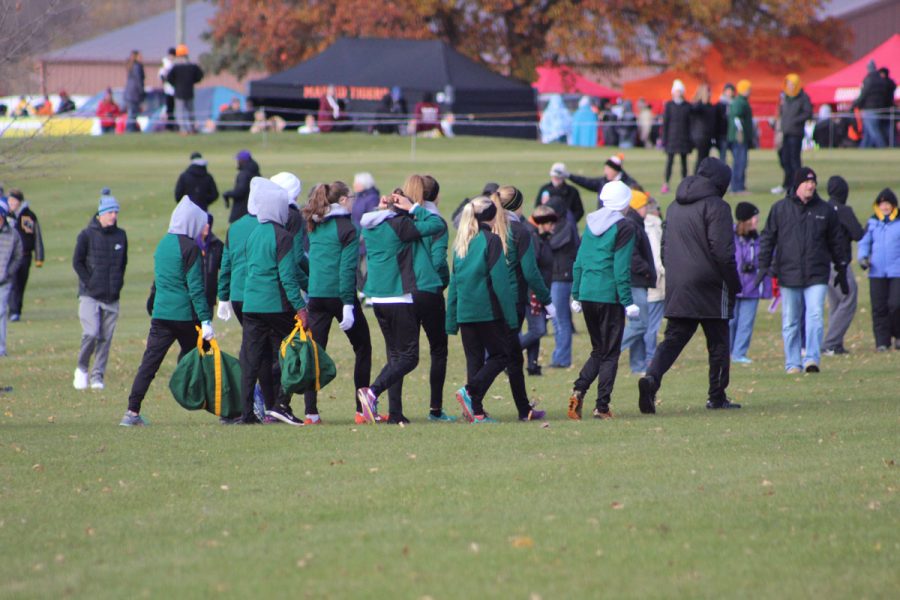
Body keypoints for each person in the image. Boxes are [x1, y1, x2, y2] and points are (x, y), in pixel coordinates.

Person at [638, 157, 741, 414]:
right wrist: (734, 283)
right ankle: (716, 395)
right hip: (711, 285)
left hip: (679, 283)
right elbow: (723, 252)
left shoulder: (673, 206)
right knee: (718, 342)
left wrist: (675, 273)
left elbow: (664, 247)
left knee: (673, 339)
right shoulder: (718, 207)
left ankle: (651, 379)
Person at [120, 198, 213, 426]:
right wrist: (206, 320)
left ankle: (131, 412)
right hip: (184, 316)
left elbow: (158, 281)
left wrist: (152, 306)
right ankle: (225, 409)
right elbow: (196, 289)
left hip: (161, 315)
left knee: (149, 364)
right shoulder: (190, 248)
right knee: (206, 358)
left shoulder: (162, 244)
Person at [355, 187, 444, 424]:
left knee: (395, 356)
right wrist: (413, 207)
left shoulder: (371, 225)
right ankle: (372, 392)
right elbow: (438, 225)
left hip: (379, 300)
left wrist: (388, 207)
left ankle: (395, 413)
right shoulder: (400, 226)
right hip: (399, 298)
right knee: (409, 358)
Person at [756, 167, 849, 373]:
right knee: (791, 320)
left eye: (813, 182)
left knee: (815, 315)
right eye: (807, 182)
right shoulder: (780, 209)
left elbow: (837, 242)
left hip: (817, 273)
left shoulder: (824, 211)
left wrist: (841, 268)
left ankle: (812, 359)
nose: (811, 186)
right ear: (797, 185)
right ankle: (793, 362)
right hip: (789, 274)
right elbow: (768, 238)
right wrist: (763, 265)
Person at [238, 178, 308, 426]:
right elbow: (287, 277)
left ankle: (246, 412)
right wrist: (300, 307)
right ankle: (281, 404)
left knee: (251, 359)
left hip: (251, 305)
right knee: (294, 352)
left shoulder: (253, 234)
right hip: (276, 305)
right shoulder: (284, 236)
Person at [301, 182, 372, 424]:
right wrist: (348, 305)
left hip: (316, 295)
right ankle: (362, 410)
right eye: (350, 197)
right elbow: (347, 269)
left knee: (315, 353)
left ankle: (310, 412)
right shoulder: (347, 227)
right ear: (342, 200)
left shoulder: (315, 223)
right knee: (363, 348)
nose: (353, 200)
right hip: (339, 296)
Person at [386, 175, 453, 421]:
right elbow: (438, 260)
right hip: (428, 291)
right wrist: (441, 282)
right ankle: (435, 409)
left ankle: (395, 411)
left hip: (401, 290)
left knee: (400, 354)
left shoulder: (397, 217)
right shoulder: (435, 221)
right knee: (438, 350)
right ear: (434, 195)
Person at [568, 181, 636, 420]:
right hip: (609, 295)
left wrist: (576, 294)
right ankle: (602, 406)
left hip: (587, 293)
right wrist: (628, 301)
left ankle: (579, 389)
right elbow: (621, 267)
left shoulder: (590, 223)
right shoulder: (625, 227)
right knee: (610, 353)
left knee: (599, 349)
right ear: (624, 203)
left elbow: (579, 261)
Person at [446, 197, 517, 423]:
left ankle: (475, 412)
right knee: (500, 355)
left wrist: (451, 319)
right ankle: (471, 391)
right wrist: (512, 318)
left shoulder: (461, 243)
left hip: (466, 312)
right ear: (492, 216)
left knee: (474, 361)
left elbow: (454, 285)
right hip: (487, 311)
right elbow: (500, 283)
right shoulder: (492, 240)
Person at [490, 186, 553, 421]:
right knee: (504, 356)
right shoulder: (519, 230)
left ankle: (523, 409)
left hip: (487, 297)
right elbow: (530, 271)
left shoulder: (487, 227)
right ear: (518, 205)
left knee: (513, 356)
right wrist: (547, 300)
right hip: (512, 300)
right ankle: (471, 393)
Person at [72, 189, 127, 390]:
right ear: (101, 214)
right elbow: (77, 262)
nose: (114, 216)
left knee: (106, 338)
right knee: (91, 333)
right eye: (111, 212)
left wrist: (118, 284)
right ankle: (82, 368)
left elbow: (123, 264)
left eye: (116, 212)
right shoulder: (86, 235)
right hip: (89, 295)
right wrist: (90, 283)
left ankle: (97, 376)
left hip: (112, 296)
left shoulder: (121, 236)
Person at [616, 190, 657, 375]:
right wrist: (647, 270)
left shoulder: (633, 223)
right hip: (635, 282)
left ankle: (638, 365)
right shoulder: (632, 225)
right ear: (637, 206)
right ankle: (610, 351)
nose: (647, 209)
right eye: (644, 206)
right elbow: (631, 256)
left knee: (638, 324)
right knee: (640, 324)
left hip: (637, 281)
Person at [823, 176, 865, 355]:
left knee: (836, 302)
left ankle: (836, 344)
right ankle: (830, 343)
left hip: (823, 263)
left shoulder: (822, 208)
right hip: (839, 263)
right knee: (849, 297)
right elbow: (858, 234)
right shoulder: (843, 210)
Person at [857, 188, 900, 351]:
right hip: (877, 271)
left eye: (888, 204)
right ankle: (882, 341)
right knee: (879, 306)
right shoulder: (872, 223)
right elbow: (864, 242)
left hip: (897, 271)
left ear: (893, 205)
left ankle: (898, 334)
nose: (885, 207)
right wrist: (863, 258)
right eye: (882, 204)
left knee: (896, 304)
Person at [730, 202, 772, 364]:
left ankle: (739, 354)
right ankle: (727, 352)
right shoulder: (730, 236)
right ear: (745, 219)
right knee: (730, 322)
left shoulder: (758, 239)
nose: (756, 221)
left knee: (746, 323)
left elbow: (767, 258)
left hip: (752, 286)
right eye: (754, 217)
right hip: (733, 285)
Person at [519, 205, 557, 375]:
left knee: (536, 330)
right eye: (550, 223)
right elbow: (531, 268)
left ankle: (533, 366)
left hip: (541, 291)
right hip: (532, 292)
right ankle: (506, 354)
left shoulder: (542, 237)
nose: (553, 226)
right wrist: (537, 292)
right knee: (538, 329)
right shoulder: (532, 237)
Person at [546, 197, 579, 369]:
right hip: (556, 276)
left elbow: (551, 244)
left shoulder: (565, 226)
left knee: (561, 319)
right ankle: (559, 356)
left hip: (562, 277)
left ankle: (562, 358)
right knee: (556, 319)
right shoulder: (560, 224)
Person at [6, 189, 44, 322]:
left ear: (20, 202)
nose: (11, 203)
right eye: (9, 201)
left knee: (20, 283)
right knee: (12, 281)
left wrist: (39, 257)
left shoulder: (28, 216)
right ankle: (12, 310)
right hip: (8, 256)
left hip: (24, 256)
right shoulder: (4, 216)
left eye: (14, 201)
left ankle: (16, 309)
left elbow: (35, 237)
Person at [773, 74, 812, 196]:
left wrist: (795, 120)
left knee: (794, 160)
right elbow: (780, 112)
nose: (790, 87)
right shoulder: (785, 97)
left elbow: (808, 113)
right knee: (784, 158)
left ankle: (797, 184)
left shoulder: (803, 97)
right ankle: (787, 183)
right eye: (788, 84)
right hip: (785, 132)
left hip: (795, 133)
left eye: (792, 84)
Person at [568, 153, 641, 210]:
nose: (605, 172)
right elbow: (586, 182)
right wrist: (569, 176)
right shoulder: (603, 181)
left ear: (615, 170)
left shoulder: (628, 183)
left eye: (608, 169)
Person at [642, 198, 665, 367]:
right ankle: (650, 356)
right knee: (652, 323)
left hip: (645, 280)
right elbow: (657, 254)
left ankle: (645, 357)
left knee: (646, 322)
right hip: (656, 281)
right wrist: (662, 272)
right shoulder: (654, 226)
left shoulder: (639, 225)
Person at [350, 172, 380, 296]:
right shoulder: (357, 197)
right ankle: (360, 289)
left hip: (366, 236)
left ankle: (368, 292)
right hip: (355, 235)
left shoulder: (372, 198)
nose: (354, 185)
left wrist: (362, 234)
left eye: (356, 183)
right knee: (355, 264)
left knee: (368, 265)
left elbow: (371, 217)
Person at [0, 198, 23, 357]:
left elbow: (18, 256)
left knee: (1, 312)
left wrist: (9, 273)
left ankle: (0, 348)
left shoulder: (13, 234)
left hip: (4, 281)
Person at [661, 79, 692, 194]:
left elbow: (690, 123)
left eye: (679, 91)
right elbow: (666, 123)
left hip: (684, 138)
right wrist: (664, 139)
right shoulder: (669, 105)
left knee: (684, 163)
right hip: (672, 138)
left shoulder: (687, 106)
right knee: (669, 162)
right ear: (673, 92)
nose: (678, 93)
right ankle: (666, 184)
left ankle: (684, 185)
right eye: (676, 91)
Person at [166, 44, 204, 135]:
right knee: (190, 112)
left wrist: (175, 84)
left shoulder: (176, 67)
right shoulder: (192, 66)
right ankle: (192, 128)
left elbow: (169, 78)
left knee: (180, 112)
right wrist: (192, 82)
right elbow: (200, 76)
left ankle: (183, 130)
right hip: (189, 92)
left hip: (179, 93)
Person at [853, 61, 888, 148]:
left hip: (869, 109)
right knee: (868, 132)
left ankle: (882, 147)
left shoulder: (869, 80)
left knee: (873, 131)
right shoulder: (880, 80)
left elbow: (864, 94)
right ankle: (863, 149)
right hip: (878, 108)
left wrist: (855, 104)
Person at [728, 80, 753, 194]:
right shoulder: (739, 102)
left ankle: (739, 185)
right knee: (740, 161)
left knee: (740, 161)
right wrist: (740, 132)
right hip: (739, 138)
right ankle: (737, 187)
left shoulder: (741, 101)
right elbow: (737, 118)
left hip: (740, 137)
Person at [224, 150, 260, 223]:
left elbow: (240, 192)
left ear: (243, 161)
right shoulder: (256, 173)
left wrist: (228, 193)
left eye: (238, 160)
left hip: (240, 211)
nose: (237, 162)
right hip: (253, 210)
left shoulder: (243, 174)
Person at [689, 84, 716, 174]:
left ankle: (700, 176)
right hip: (701, 136)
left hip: (707, 136)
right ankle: (697, 177)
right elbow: (693, 110)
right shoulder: (699, 106)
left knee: (704, 158)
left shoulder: (710, 107)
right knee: (701, 159)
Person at [201, 215, 224, 311]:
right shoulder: (190, 245)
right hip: (190, 299)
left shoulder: (217, 245)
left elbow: (226, 268)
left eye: (208, 224)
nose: (207, 226)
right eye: (203, 224)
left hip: (209, 299)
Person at [123, 50, 145, 133]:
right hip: (134, 94)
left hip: (129, 94)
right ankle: (129, 130)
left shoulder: (132, 66)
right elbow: (139, 80)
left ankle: (131, 129)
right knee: (132, 113)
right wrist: (141, 92)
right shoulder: (137, 66)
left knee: (132, 113)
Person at [715, 83, 735, 161]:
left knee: (736, 156)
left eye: (731, 91)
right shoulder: (719, 105)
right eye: (728, 91)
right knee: (722, 156)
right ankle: (722, 173)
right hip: (723, 134)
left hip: (733, 134)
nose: (729, 93)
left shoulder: (735, 104)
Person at [159, 47, 177, 131]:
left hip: (175, 90)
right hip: (168, 89)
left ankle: (172, 124)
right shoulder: (166, 63)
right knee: (169, 108)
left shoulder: (175, 63)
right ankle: (169, 125)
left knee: (173, 108)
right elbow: (161, 75)